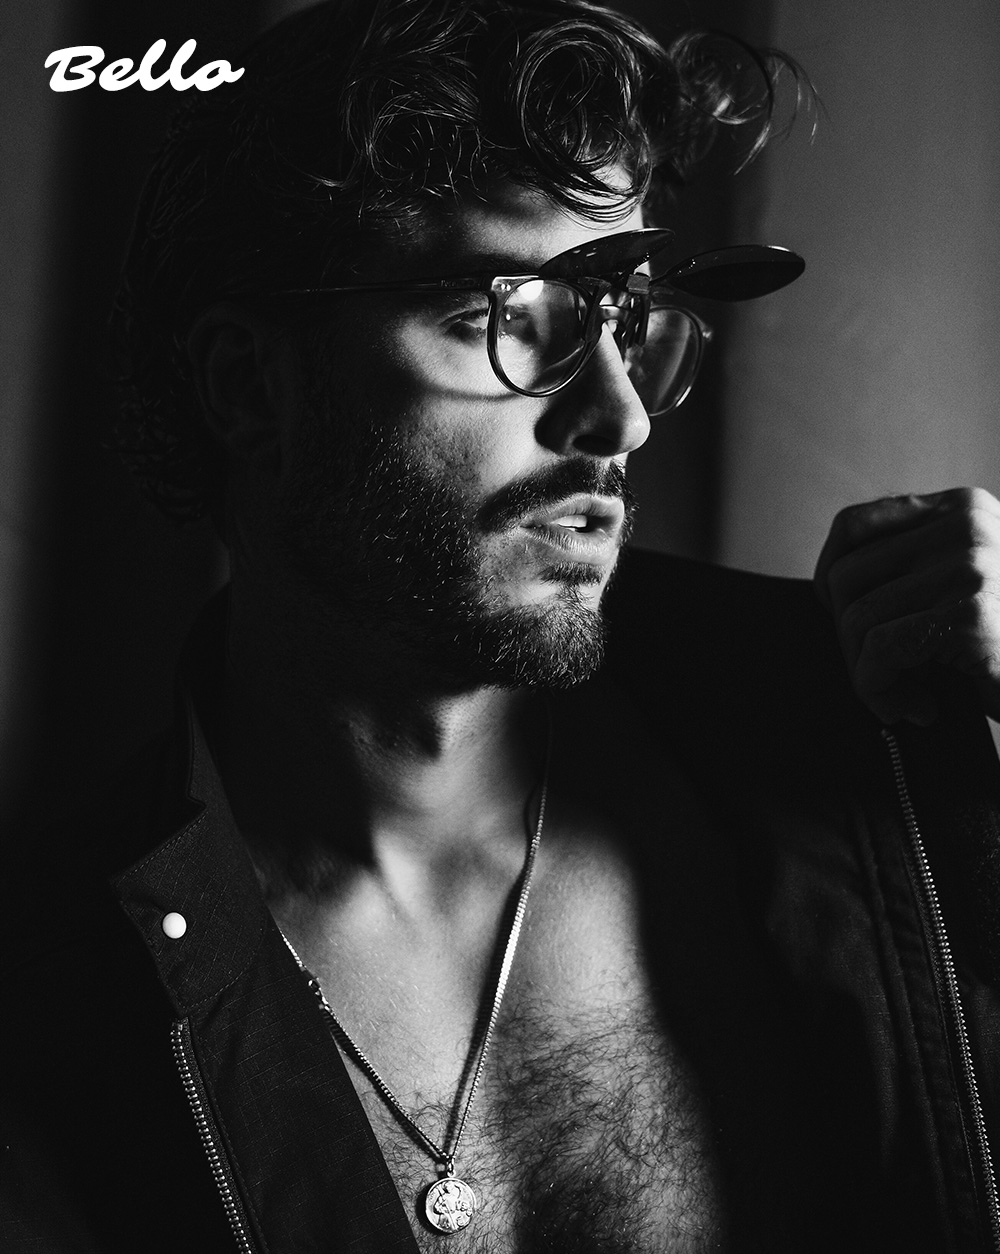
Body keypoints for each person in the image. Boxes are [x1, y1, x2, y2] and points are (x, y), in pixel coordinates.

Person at [4, 1, 1000, 1251]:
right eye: (505, 316)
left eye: (623, 321)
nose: (618, 419)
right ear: (249, 384)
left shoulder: (851, 750)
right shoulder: (60, 994)